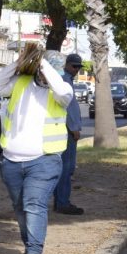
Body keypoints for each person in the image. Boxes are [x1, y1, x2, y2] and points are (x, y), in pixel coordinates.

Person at [0, 43, 73, 254]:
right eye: (41, 70)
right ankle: (29, 248)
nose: (44, 77)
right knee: (20, 207)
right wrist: (20, 62)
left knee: (34, 204)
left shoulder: (62, 90)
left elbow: (63, 93)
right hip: (11, 161)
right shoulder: (20, 83)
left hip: (44, 161)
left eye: (49, 73)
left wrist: (45, 64)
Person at [53, 53, 84, 215]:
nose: (77, 70)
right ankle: (62, 202)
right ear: (66, 65)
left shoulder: (65, 80)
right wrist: (74, 128)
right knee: (67, 167)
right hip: (68, 131)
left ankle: (60, 201)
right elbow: (68, 109)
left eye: (78, 67)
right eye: (74, 66)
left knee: (64, 168)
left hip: (65, 129)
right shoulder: (65, 81)